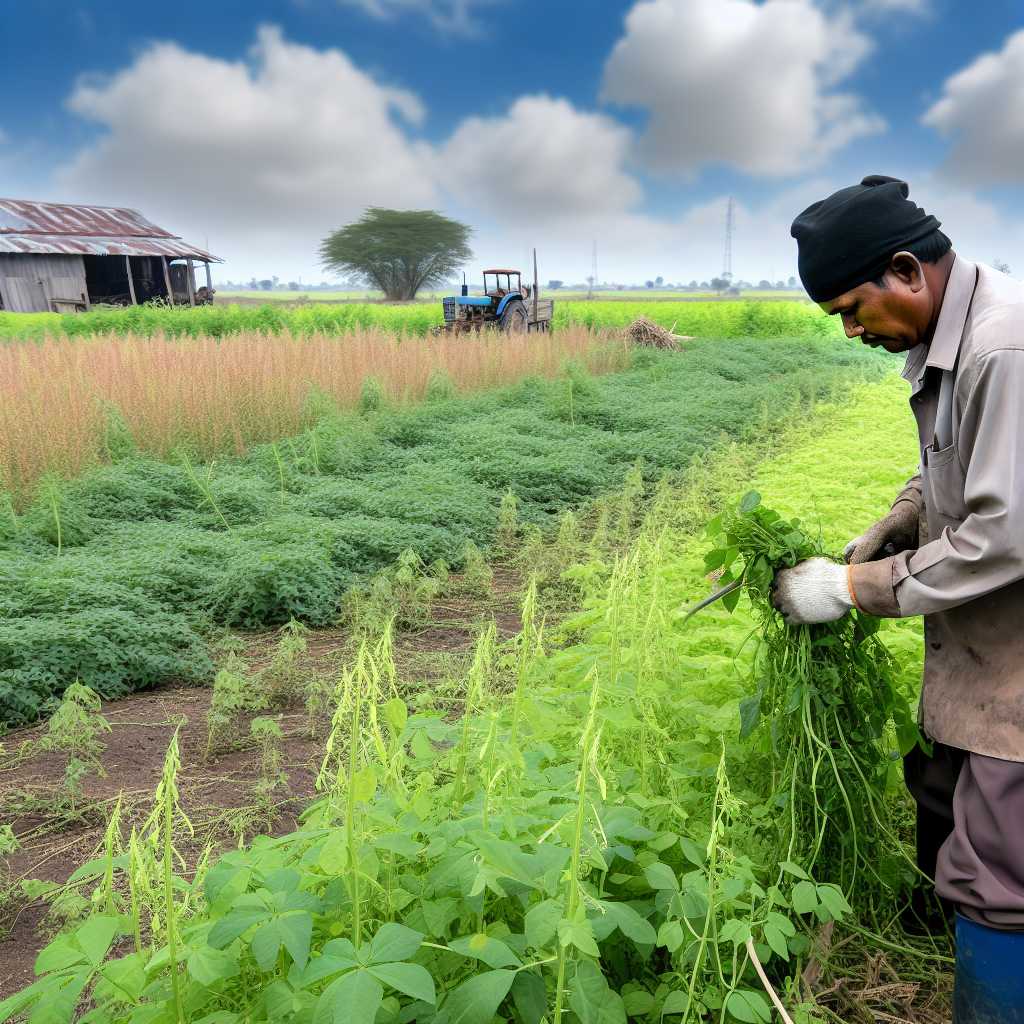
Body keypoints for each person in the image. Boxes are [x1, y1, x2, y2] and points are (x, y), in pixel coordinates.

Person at [775, 175, 1024, 1020]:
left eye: (852, 308)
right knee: (963, 826)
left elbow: (1003, 534)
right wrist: (900, 522)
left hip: (1018, 661)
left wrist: (852, 587)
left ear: (908, 270)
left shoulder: (1001, 348)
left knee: (999, 879)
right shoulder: (952, 342)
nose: (850, 332)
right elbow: (955, 469)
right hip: (989, 645)